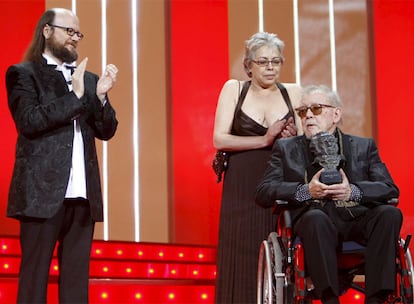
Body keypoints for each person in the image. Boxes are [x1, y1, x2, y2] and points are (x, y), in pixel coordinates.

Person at [5, 8, 118, 303]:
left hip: (83, 195)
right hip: (41, 195)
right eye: (69, 31)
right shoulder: (23, 74)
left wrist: (101, 98)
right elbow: (29, 120)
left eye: (78, 33)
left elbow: (106, 131)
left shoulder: (89, 79)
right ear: (46, 30)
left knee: (76, 283)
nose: (75, 38)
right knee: (34, 278)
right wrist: (76, 97)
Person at [255, 84, 402, 304]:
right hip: (314, 220)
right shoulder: (286, 149)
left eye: (316, 109)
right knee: (316, 219)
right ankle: (329, 298)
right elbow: (264, 191)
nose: (308, 116)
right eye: (303, 112)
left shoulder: (363, 146)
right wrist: (306, 191)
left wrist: (354, 191)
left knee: (389, 214)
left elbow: (389, 188)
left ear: (336, 114)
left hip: (356, 218)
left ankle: (376, 299)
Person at [213, 32, 302, 303]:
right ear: (249, 65)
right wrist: (264, 139)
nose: (270, 67)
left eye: (276, 61)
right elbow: (219, 139)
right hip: (242, 182)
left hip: (280, 179)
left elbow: (305, 143)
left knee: (280, 249)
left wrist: (291, 140)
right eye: (263, 62)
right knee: (241, 248)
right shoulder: (234, 89)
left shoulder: (294, 91)